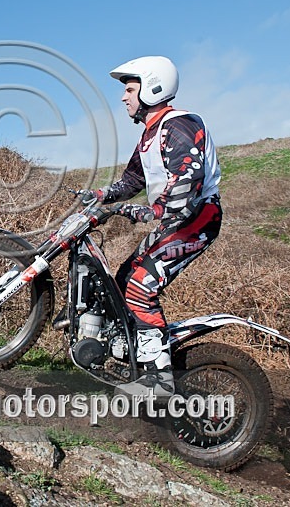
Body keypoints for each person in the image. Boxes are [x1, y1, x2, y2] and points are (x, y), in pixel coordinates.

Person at [81, 56, 222, 397]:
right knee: (122, 279)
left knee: (141, 287)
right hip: (175, 222)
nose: (124, 97)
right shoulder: (150, 135)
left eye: (130, 89)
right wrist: (100, 194)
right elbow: (132, 179)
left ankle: (159, 380)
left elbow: (189, 176)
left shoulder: (180, 124)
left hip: (197, 220)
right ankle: (129, 351)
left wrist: (151, 210)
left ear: (152, 87)